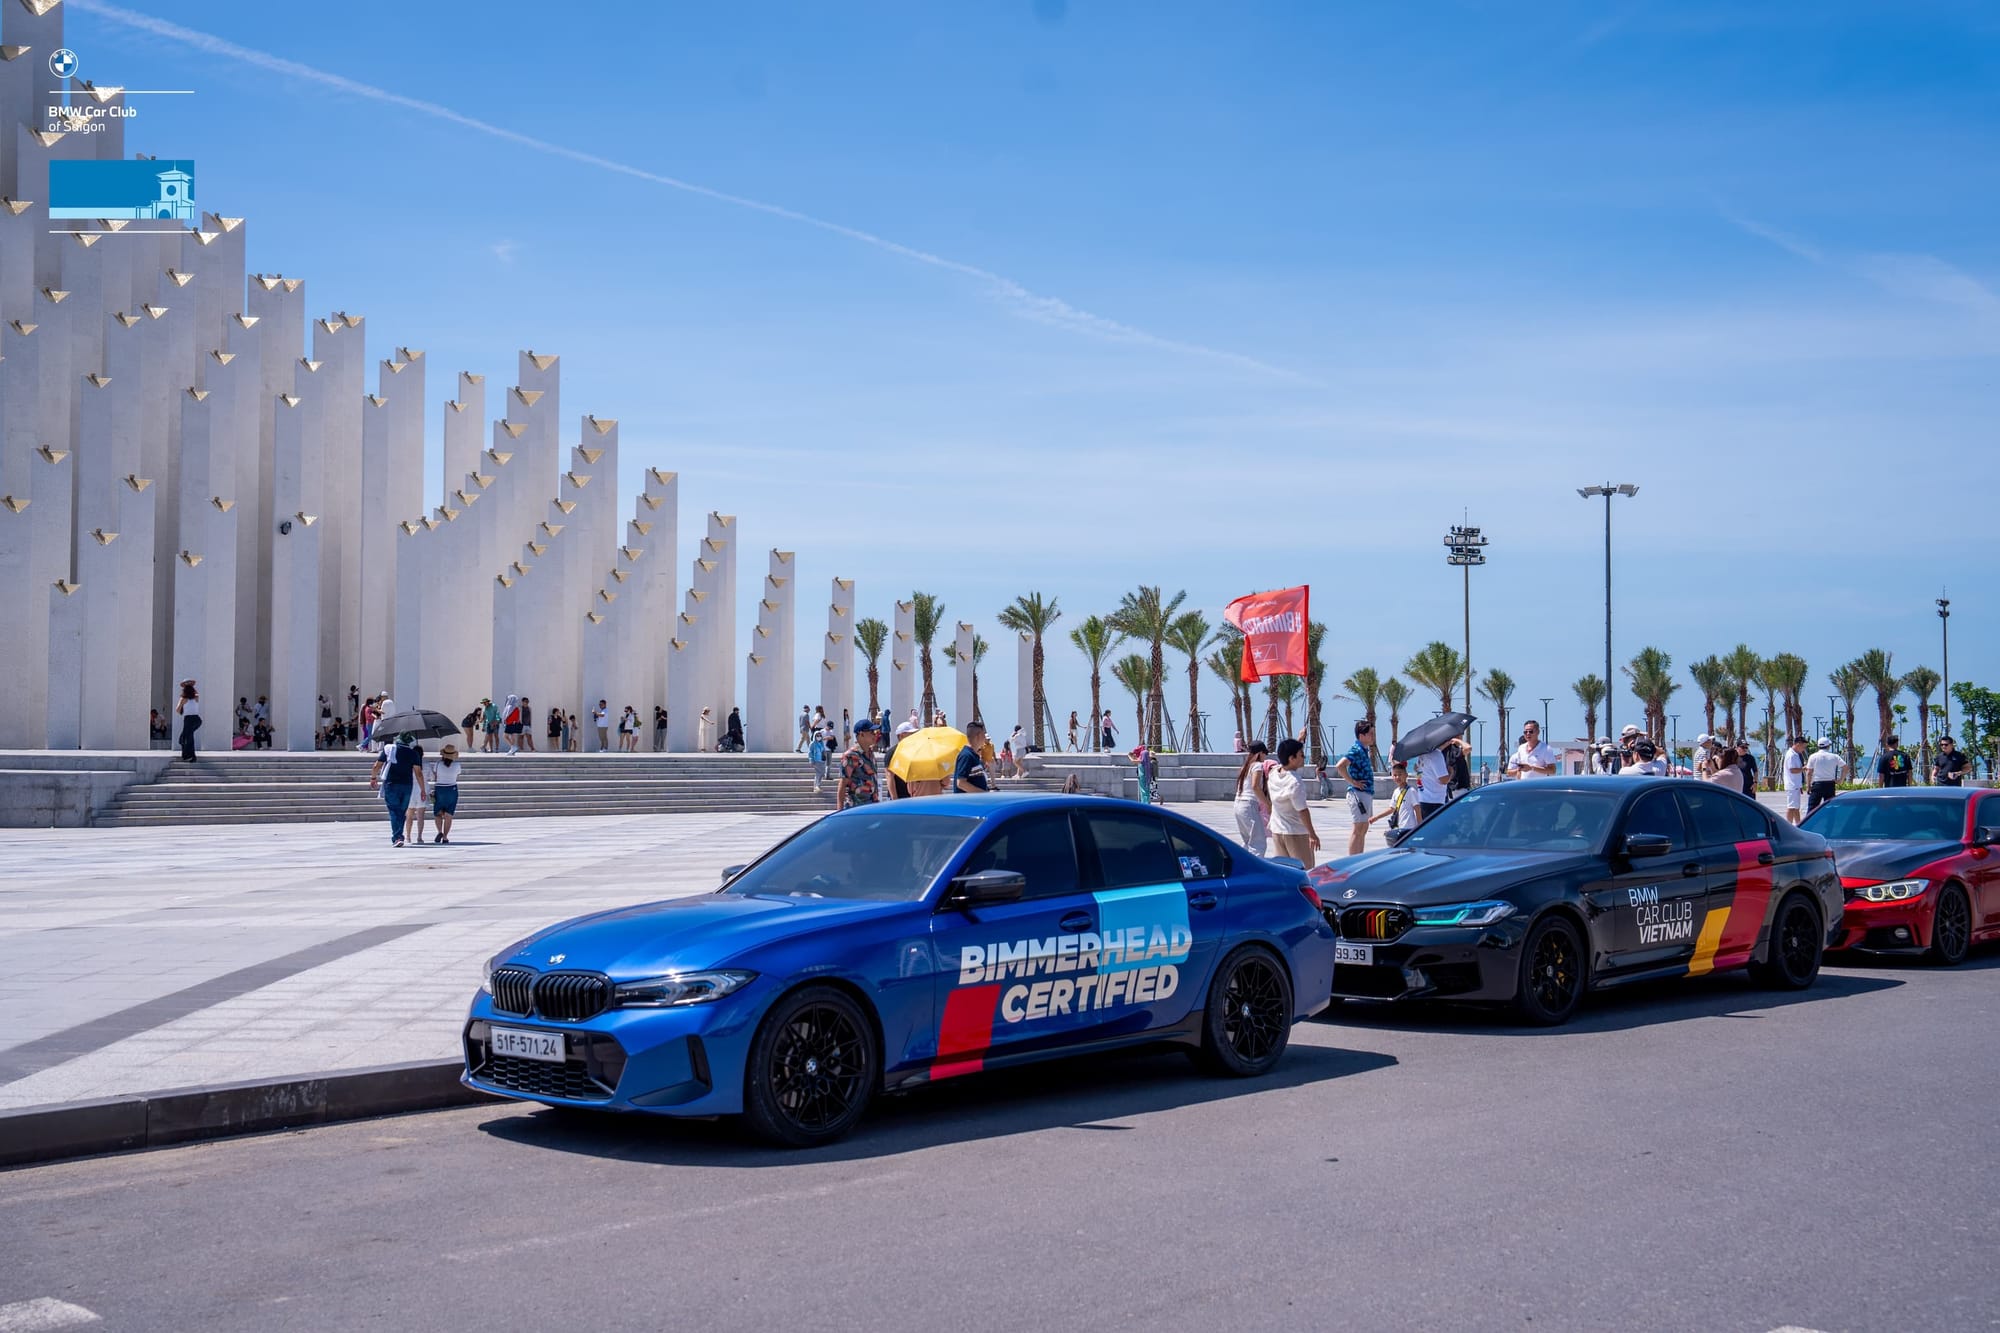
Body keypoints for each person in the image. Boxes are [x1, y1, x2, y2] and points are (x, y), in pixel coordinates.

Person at [1264, 738, 1320, 866]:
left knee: (1285, 870)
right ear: (1291, 758)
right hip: (1296, 832)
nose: (1304, 757)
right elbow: (1302, 810)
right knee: (1305, 870)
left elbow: (1285, 754)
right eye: (1301, 755)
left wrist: (1299, 740)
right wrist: (1312, 834)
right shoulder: (1295, 782)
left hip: (1277, 830)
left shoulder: (1273, 773)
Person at [368, 732, 428, 848]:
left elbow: (377, 765)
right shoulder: (414, 753)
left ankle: (398, 837)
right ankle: (399, 835)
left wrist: (373, 778)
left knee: (394, 810)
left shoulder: (389, 749)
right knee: (401, 811)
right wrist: (422, 789)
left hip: (391, 784)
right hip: (407, 785)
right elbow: (418, 773)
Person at [1333, 720, 1377, 857]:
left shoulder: (1363, 750)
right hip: (1358, 794)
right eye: (1370, 734)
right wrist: (1353, 782)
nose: (1373, 736)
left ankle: (1358, 857)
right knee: (1358, 828)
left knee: (1363, 828)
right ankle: (1352, 858)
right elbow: (1340, 765)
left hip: (1365, 793)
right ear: (1361, 735)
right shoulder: (1356, 750)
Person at [1413, 736, 1468, 822]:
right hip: (1435, 800)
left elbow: (1418, 773)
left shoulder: (1422, 756)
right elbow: (1444, 780)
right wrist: (1451, 773)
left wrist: (1447, 742)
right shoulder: (1436, 755)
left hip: (1423, 798)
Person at [1232, 741, 1273, 854]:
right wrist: (1268, 804)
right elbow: (1255, 786)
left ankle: (1243, 862)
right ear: (1260, 753)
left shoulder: (1245, 766)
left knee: (1247, 841)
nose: (1265, 756)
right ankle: (1256, 864)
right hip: (1249, 804)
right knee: (1258, 843)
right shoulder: (1257, 766)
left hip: (1238, 804)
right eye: (1265, 753)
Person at [837, 718, 881, 809]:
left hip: (872, 806)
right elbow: (842, 784)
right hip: (856, 808)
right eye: (871, 732)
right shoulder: (851, 755)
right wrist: (839, 811)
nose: (875, 734)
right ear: (861, 734)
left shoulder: (871, 754)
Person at [430, 743, 462, 843]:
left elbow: (435, 776)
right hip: (452, 789)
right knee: (449, 815)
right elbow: (457, 775)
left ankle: (439, 831)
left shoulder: (438, 764)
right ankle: (445, 837)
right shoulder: (457, 765)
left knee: (437, 813)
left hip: (440, 788)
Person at [1805, 738, 1846, 813]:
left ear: (1818, 746)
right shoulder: (1834, 756)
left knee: (1812, 808)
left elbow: (1809, 772)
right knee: (1830, 808)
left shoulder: (1813, 756)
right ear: (1828, 746)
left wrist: (1808, 786)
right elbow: (1845, 767)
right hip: (1830, 784)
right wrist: (1840, 780)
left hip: (1817, 784)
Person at [953, 722, 992, 793]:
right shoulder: (966, 756)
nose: (985, 738)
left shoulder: (973, 755)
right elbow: (961, 783)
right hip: (967, 800)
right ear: (979, 736)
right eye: (984, 735)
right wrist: (983, 793)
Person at [406, 742, 433, 844]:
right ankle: (419, 837)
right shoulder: (426, 764)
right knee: (420, 816)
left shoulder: (408, 764)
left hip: (411, 789)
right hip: (423, 789)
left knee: (409, 815)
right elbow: (432, 777)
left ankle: (408, 836)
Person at [1783, 735, 1809, 824]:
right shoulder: (1791, 755)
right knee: (1791, 807)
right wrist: (1803, 768)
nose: (1803, 749)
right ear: (1798, 744)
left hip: (1796, 785)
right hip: (1792, 785)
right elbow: (1792, 770)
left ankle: (1798, 824)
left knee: (1796, 807)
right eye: (1803, 747)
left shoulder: (1796, 754)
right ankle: (1788, 825)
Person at [174, 679, 202, 762]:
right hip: (197, 720)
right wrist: (191, 685)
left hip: (189, 719)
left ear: (184, 690)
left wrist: (183, 709)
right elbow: (195, 692)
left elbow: (177, 710)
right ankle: (186, 755)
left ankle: (191, 756)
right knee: (184, 737)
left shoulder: (183, 699)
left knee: (188, 738)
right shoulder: (196, 697)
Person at [808, 728, 830, 793]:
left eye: (820, 735)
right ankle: (816, 786)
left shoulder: (821, 743)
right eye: (817, 735)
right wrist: (811, 760)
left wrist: (825, 757)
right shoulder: (812, 744)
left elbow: (823, 751)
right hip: (816, 761)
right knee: (819, 773)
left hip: (822, 761)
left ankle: (818, 785)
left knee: (822, 773)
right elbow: (810, 753)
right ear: (815, 736)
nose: (819, 737)